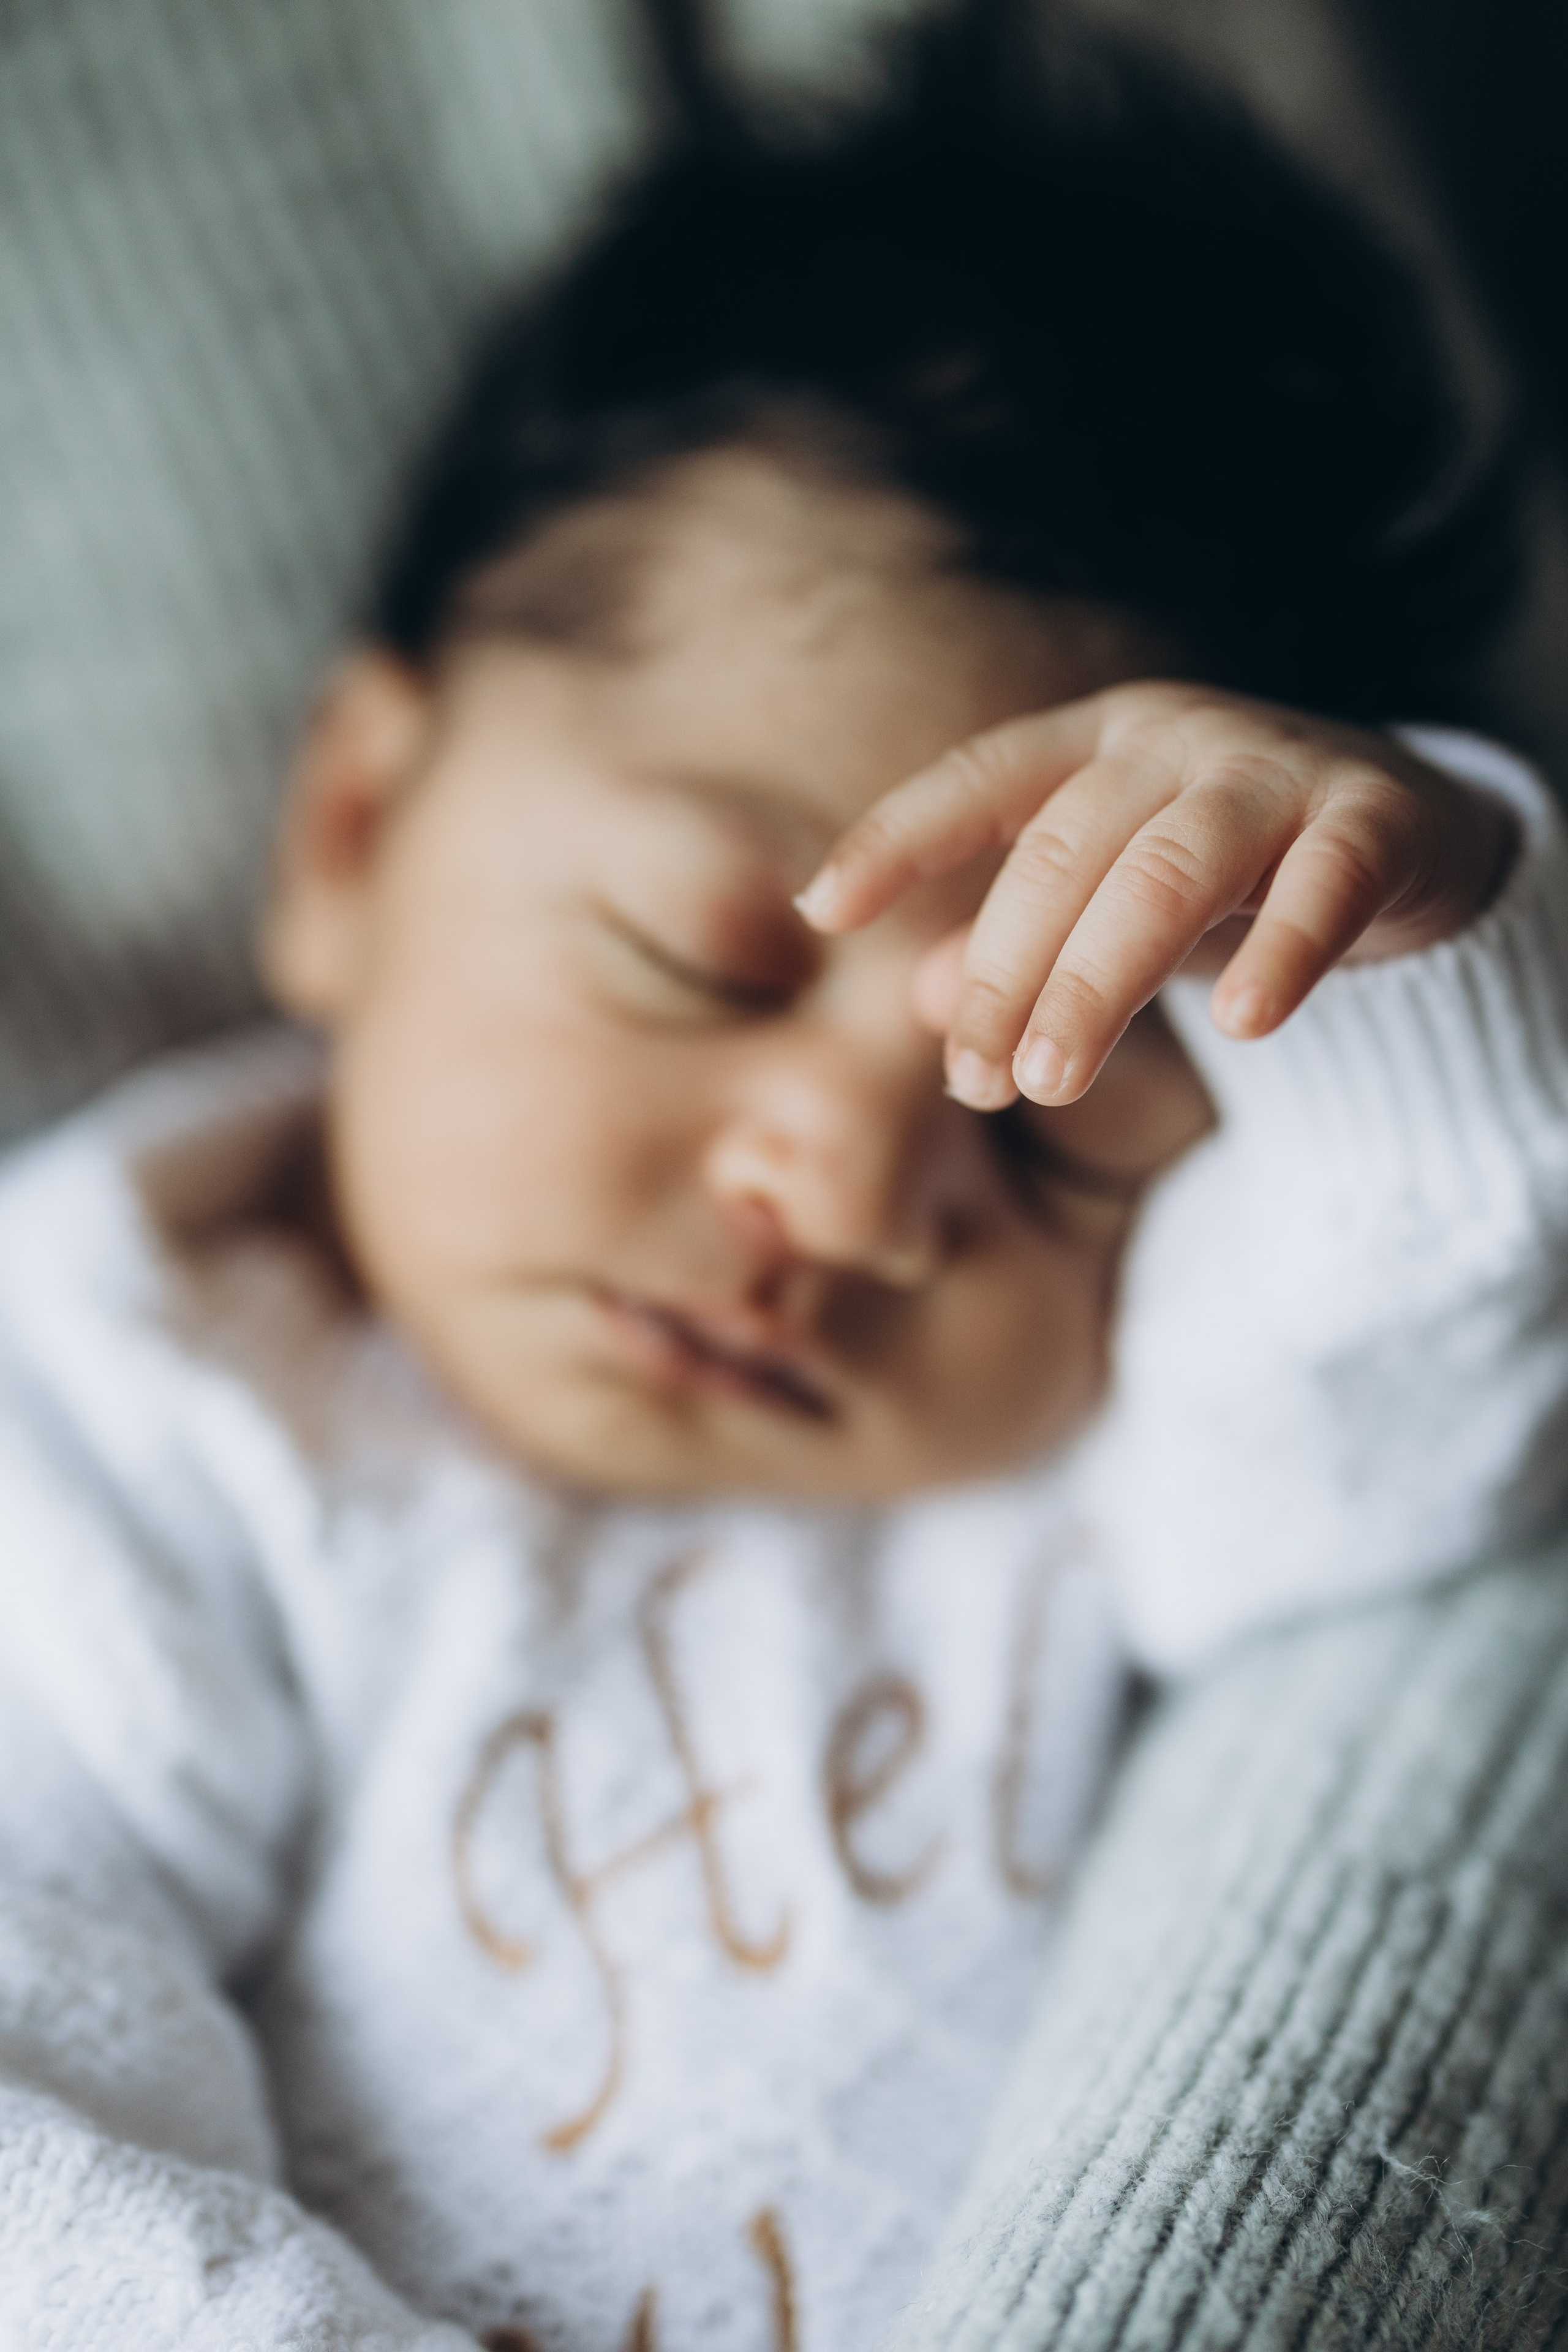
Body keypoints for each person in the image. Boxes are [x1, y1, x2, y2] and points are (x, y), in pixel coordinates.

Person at [2, 7, 1567, 2348]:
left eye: (1052, 1132)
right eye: (704, 965)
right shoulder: (124, 1388)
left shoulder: (1144, 1433)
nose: (844, 1193)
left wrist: (1418, 936)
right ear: (350, 836)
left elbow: (1437, 1398)